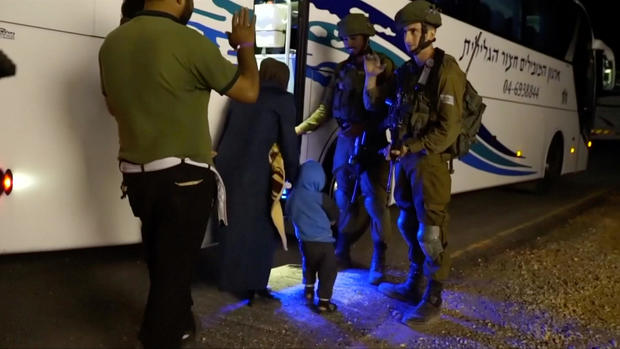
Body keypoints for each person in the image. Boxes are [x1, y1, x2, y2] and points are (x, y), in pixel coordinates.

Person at [98, 0, 259, 347]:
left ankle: (180, 317)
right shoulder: (190, 41)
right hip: (183, 177)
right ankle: (161, 335)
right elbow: (248, 90)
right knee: (174, 268)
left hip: (137, 175)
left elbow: (113, 105)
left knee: (162, 256)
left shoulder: (112, 43)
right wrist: (246, 45)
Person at [363, 0, 465, 324]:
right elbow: (378, 107)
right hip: (406, 162)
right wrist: (371, 78)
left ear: (430, 32)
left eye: (412, 31)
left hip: (430, 163)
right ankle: (414, 283)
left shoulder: (446, 70)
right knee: (408, 223)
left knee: (431, 233)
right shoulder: (407, 72)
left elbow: (449, 128)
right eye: (404, 32)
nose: (406, 38)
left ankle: (433, 297)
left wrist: (413, 147)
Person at [295, 13, 394, 285]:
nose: (349, 43)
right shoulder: (342, 70)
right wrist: (300, 128)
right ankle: (342, 251)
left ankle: (379, 260)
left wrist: (367, 127)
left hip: (372, 144)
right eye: (345, 39)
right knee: (343, 200)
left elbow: (392, 109)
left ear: (365, 37)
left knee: (375, 204)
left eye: (353, 38)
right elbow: (327, 108)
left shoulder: (383, 66)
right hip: (346, 142)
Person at [215, 57, 299, 303]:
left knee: (231, 225)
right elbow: (288, 141)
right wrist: (293, 175)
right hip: (255, 171)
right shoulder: (283, 100)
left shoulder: (242, 93)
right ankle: (253, 285)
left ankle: (230, 281)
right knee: (261, 228)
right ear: (284, 79)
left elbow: (226, 130)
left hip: (227, 166)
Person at [286, 160, 339, 313]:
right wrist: (332, 221)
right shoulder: (321, 197)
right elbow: (334, 213)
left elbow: (289, 214)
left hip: (305, 241)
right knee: (327, 270)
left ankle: (308, 289)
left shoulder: (293, 197)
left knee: (309, 264)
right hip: (324, 242)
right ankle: (324, 301)